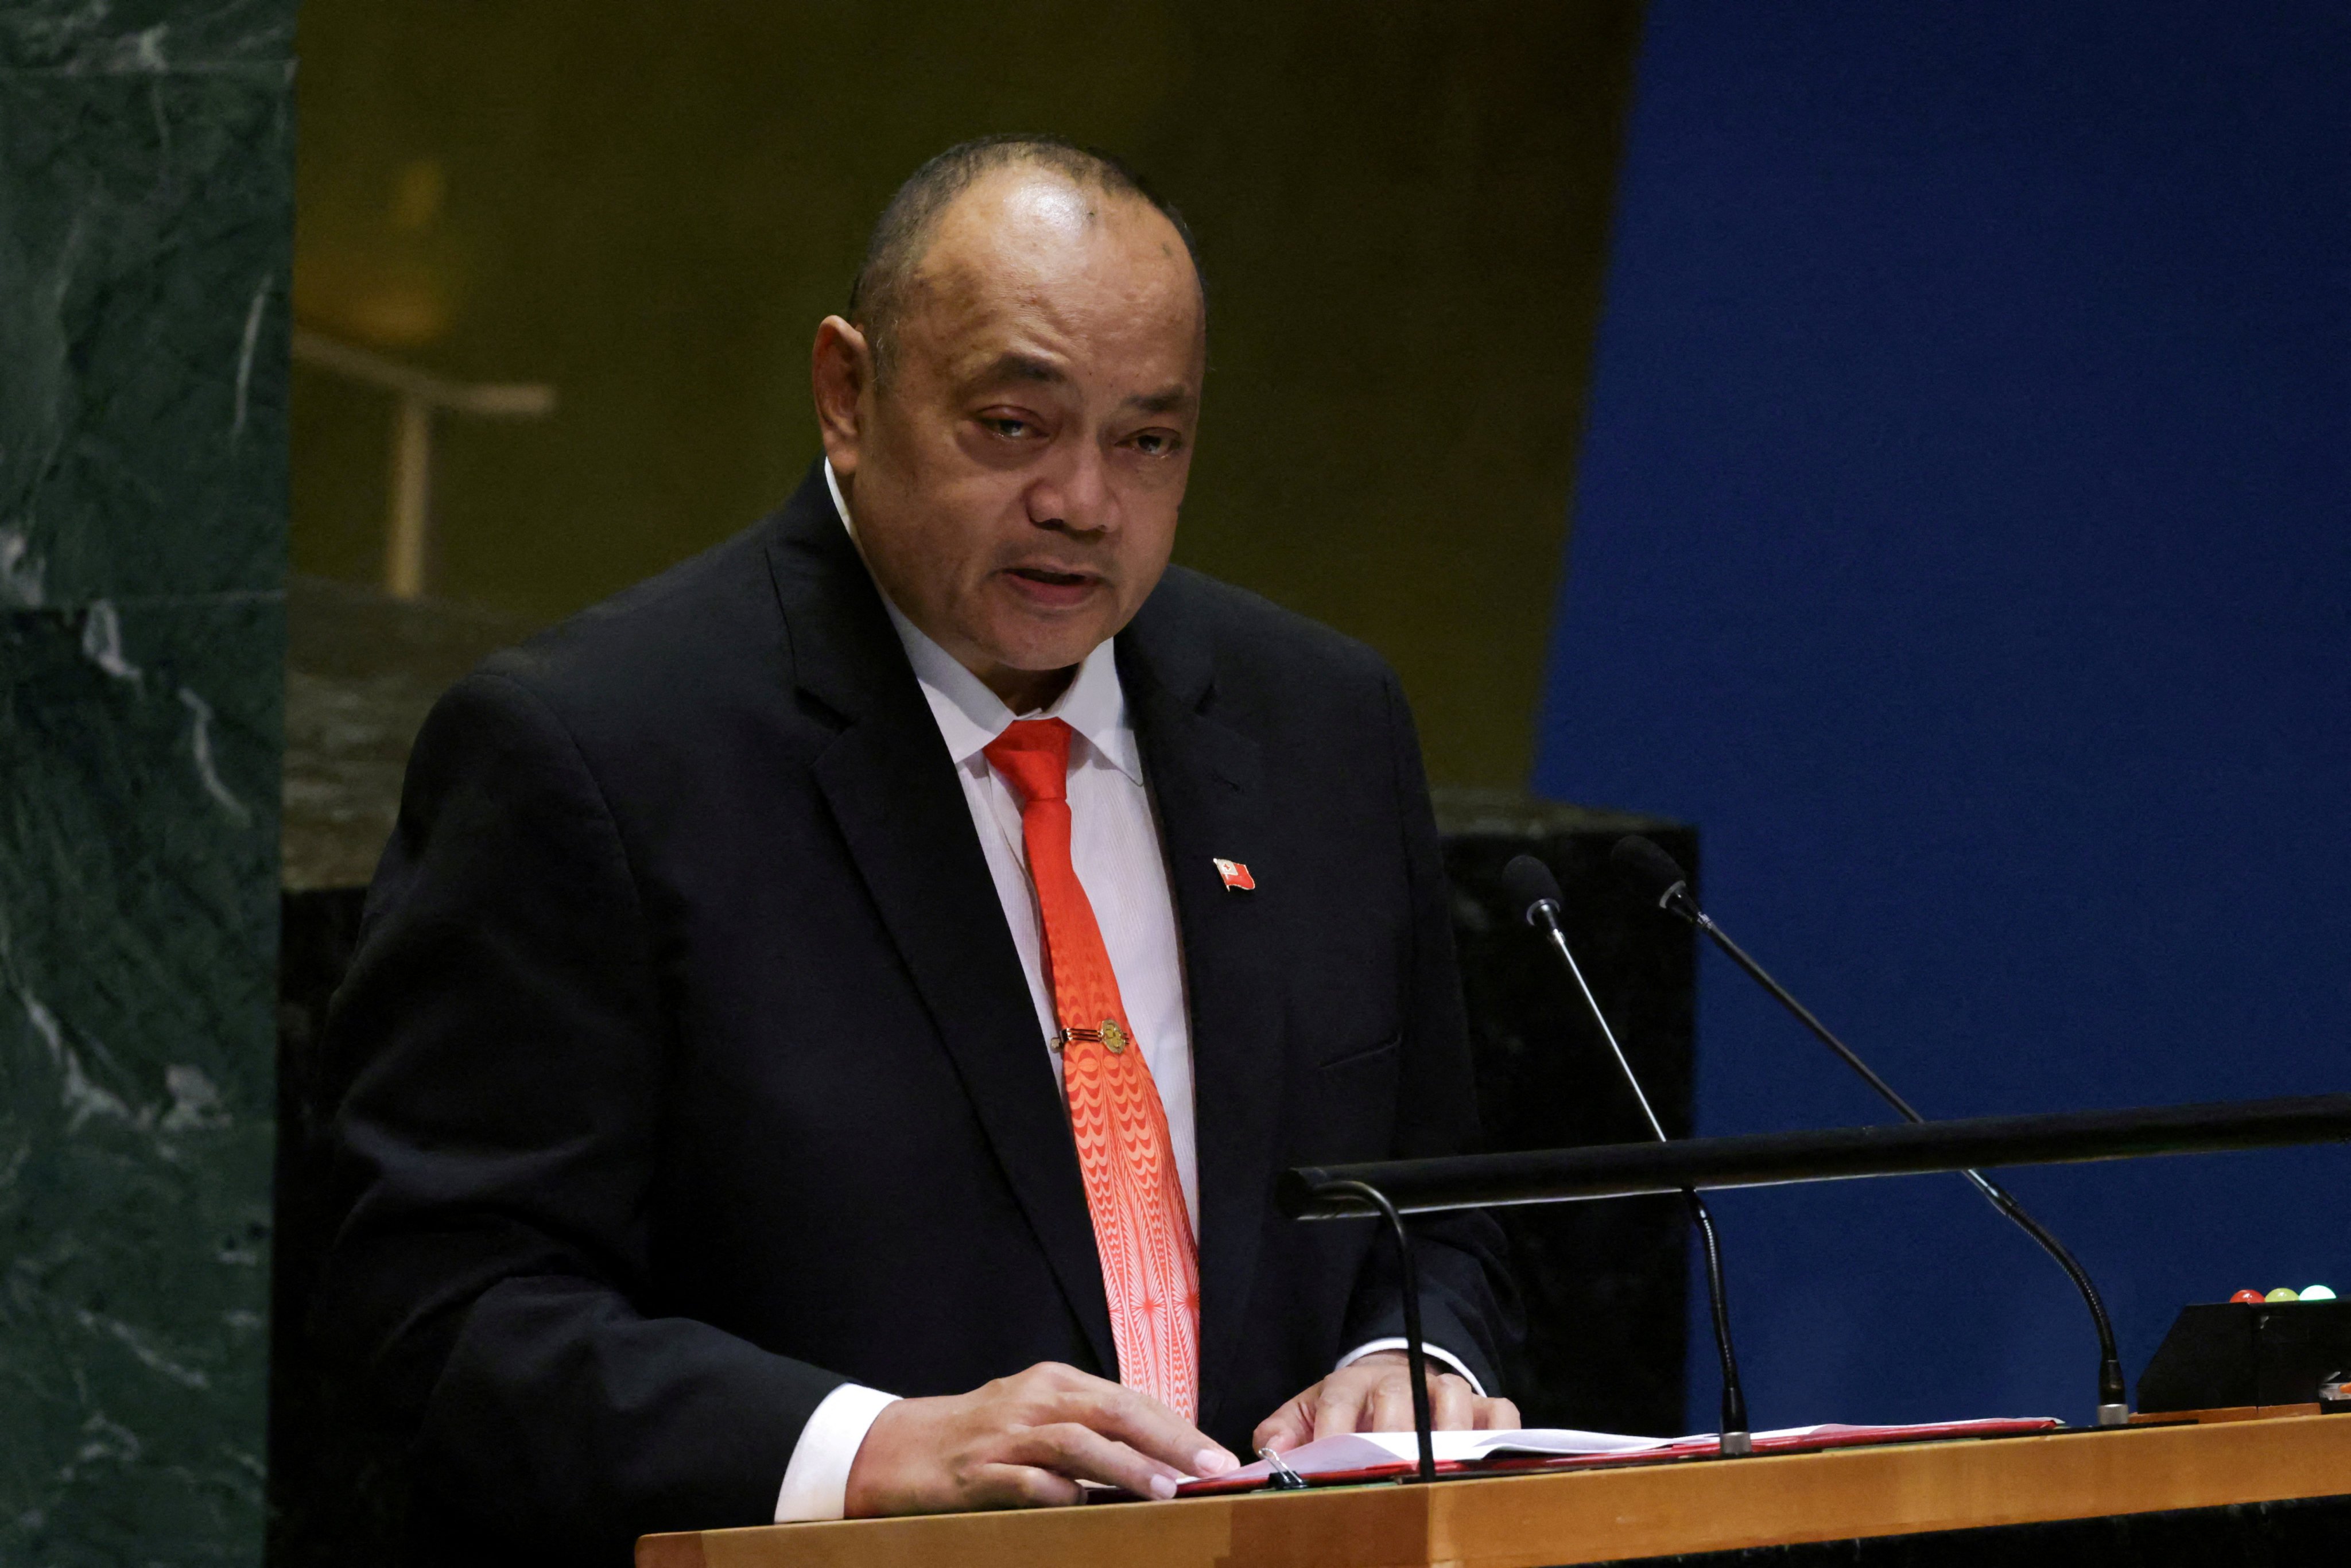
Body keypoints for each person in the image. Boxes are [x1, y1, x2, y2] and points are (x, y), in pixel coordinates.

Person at [317, 135, 1520, 1562]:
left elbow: (1437, 1210)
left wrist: (1417, 1355)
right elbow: (440, 1311)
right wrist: (861, 1447)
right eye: (1014, 424)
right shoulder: (596, 753)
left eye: (1147, 441)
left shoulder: (1318, 723)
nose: (1083, 499)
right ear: (846, 391)